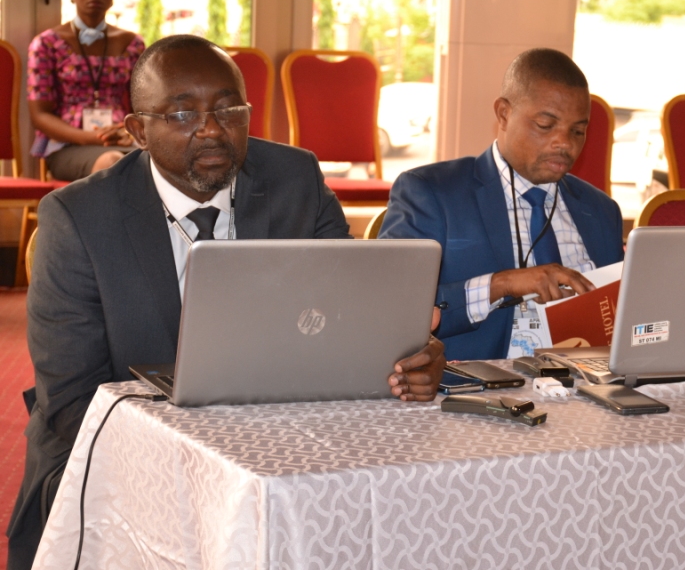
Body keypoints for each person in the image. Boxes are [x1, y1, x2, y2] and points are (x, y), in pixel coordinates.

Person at [6, 35, 445, 570]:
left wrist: (406, 355)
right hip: (121, 461)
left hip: (278, 448)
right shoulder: (78, 220)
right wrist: (207, 469)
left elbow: (350, 310)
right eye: (182, 113)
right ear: (138, 131)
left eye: (229, 109)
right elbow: (73, 404)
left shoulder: (296, 180)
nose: (212, 128)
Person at [379, 48, 624, 361]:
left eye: (578, 131)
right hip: (475, 384)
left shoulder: (601, 210)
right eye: (545, 125)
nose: (565, 142)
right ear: (504, 114)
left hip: (588, 382)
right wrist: (503, 284)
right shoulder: (432, 193)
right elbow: (388, 307)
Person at [28, 0, 144, 181]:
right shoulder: (46, 44)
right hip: (68, 146)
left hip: (123, 141)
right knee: (114, 164)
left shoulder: (133, 44)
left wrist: (129, 132)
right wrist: (90, 138)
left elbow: (144, 107)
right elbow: (40, 115)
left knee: (159, 166)